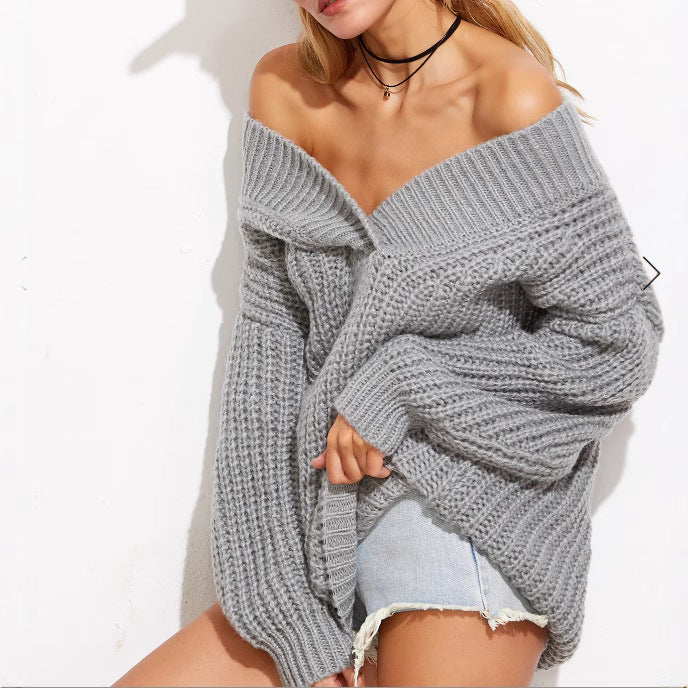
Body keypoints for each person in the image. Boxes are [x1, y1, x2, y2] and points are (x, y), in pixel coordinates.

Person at [112, 1, 663, 686]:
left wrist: (408, 384)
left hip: (465, 524)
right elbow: (268, 350)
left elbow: (616, 347)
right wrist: (286, 617)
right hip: (322, 536)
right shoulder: (283, 92)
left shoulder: (506, 96)